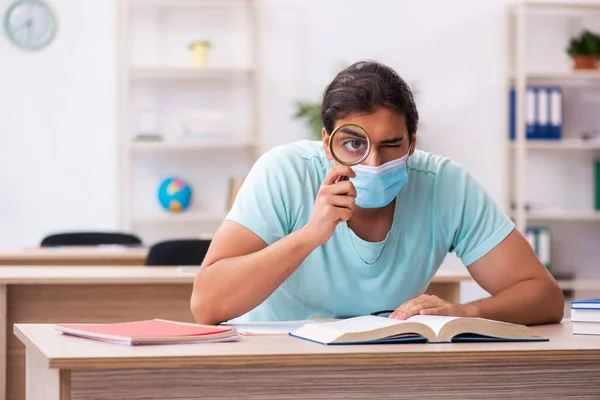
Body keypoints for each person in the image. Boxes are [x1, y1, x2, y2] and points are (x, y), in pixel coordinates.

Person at [190, 60, 564, 326]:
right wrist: (308, 236)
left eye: (391, 145)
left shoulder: (444, 184)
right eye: (354, 144)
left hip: (386, 367)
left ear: (412, 141)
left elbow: (544, 298)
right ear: (326, 142)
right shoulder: (284, 172)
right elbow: (207, 305)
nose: (372, 162)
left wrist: (465, 313)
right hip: (278, 362)